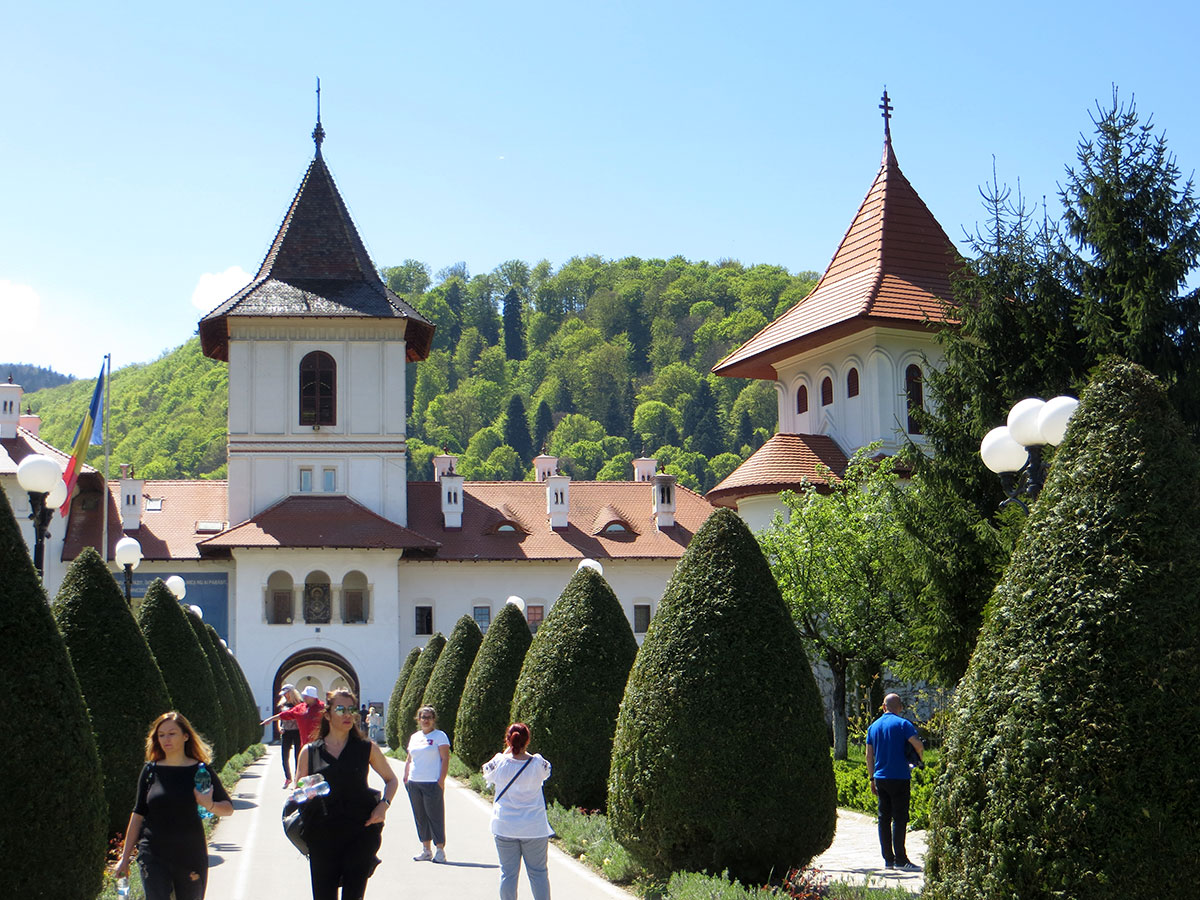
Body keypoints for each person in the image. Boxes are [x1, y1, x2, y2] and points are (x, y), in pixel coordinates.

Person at [114, 711, 235, 900]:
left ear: (186, 736)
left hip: (190, 854)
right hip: (153, 854)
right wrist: (124, 859)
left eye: (172, 733)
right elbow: (138, 814)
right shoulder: (150, 771)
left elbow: (228, 809)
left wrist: (209, 804)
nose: (165, 739)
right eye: (161, 735)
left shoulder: (200, 770)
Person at [296, 689, 398, 900]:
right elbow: (297, 790)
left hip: (359, 833)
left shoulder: (366, 748)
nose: (347, 715)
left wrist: (384, 805)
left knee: (354, 896)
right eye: (340, 709)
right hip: (322, 835)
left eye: (351, 709)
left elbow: (392, 779)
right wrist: (305, 792)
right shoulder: (310, 751)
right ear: (327, 714)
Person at [482, 722, 553, 900]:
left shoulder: (498, 762)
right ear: (527, 741)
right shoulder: (538, 763)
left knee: (508, 874)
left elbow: (486, 771)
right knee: (538, 873)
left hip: (505, 826)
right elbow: (547, 772)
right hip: (534, 827)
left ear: (507, 740)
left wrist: (506, 752)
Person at [865, 693, 924, 872]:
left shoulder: (873, 727)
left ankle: (888, 860)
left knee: (884, 818)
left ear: (884, 707)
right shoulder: (904, 724)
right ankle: (901, 859)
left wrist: (871, 778)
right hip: (899, 776)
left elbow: (869, 755)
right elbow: (918, 745)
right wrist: (918, 759)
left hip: (881, 777)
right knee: (899, 818)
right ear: (899, 707)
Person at [403, 705, 451, 863]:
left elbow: (445, 758)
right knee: (420, 816)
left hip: (432, 782)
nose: (426, 720)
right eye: (423, 717)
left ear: (434, 720)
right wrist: (405, 776)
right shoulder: (415, 737)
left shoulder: (440, 736)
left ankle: (440, 850)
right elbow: (410, 758)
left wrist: (441, 780)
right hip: (414, 781)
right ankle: (426, 849)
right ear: (418, 719)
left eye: (429, 717)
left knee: (435, 816)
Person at [278, 685, 304, 787]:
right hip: (286, 731)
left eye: (286, 693)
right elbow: (280, 717)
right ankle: (288, 778)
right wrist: (279, 727)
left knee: (298, 756)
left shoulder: (299, 704)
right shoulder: (283, 704)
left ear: (291, 692)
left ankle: (297, 778)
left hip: (297, 731)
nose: (284, 695)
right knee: (284, 756)